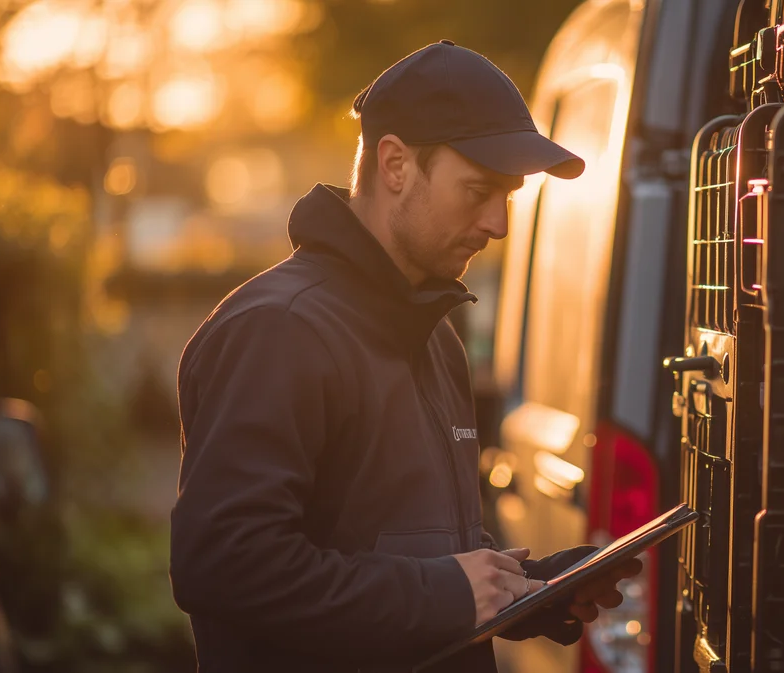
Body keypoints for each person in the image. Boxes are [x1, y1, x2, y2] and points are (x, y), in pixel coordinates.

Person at [169, 41, 641, 673]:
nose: (498, 224)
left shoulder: (435, 335)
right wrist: (446, 595)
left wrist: (522, 592)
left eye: (508, 197)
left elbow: (408, 551)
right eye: (477, 190)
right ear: (394, 164)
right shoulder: (278, 330)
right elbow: (226, 565)